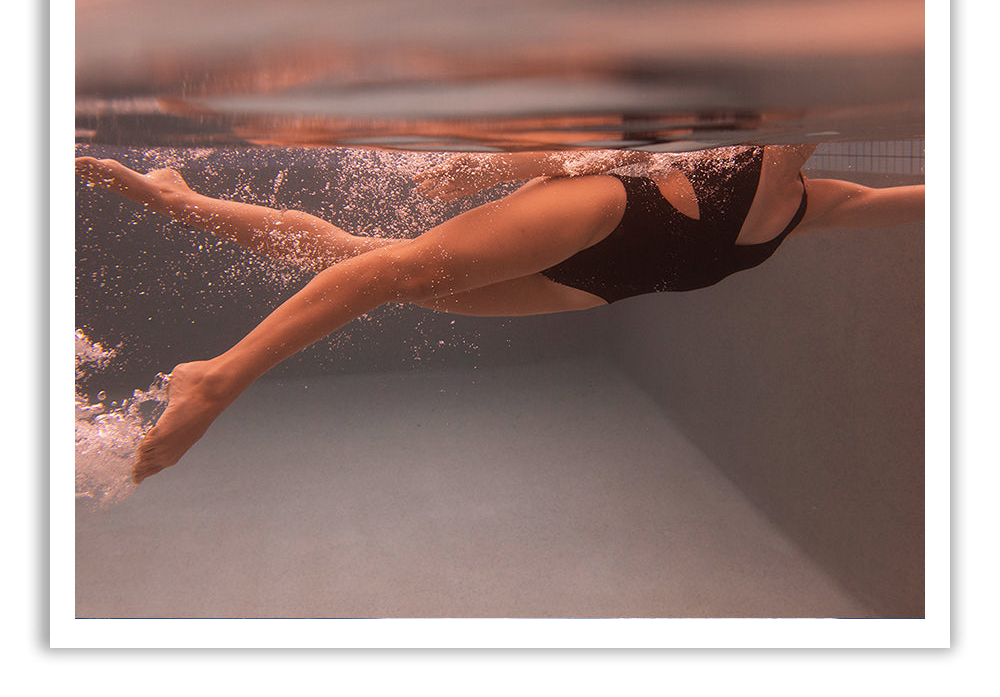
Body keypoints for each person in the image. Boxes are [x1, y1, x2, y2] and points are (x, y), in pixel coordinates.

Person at [75, 145, 925, 484]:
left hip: (595, 285)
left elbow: (924, 199)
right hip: (604, 212)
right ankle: (218, 377)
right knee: (392, 268)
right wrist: (487, 172)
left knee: (358, 258)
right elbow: (606, 148)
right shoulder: (735, 145)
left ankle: (178, 199)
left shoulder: (813, 200)